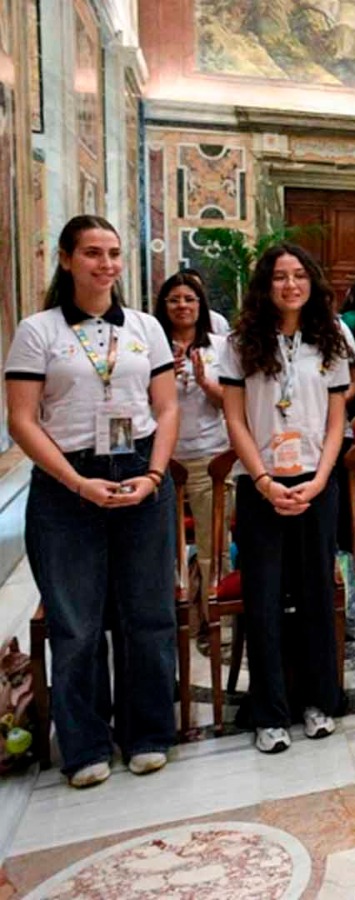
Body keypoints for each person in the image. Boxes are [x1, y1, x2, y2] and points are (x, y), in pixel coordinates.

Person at [5, 215, 179, 788]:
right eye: (91, 254)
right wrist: (76, 483)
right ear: (66, 259)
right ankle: (84, 744)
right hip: (67, 484)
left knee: (147, 611)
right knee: (76, 622)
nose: (105, 265)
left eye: (113, 254)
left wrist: (154, 475)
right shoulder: (39, 331)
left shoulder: (146, 328)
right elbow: (23, 420)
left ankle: (149, 731)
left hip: (139, 474)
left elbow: (167, 407)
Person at [216, 244, 353, 754]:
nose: (290, 285)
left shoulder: (332, 336)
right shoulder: (240, 341)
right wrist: (261, 479)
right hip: (263, 484)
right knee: (265, 599)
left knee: (317, 593)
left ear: (312, 282)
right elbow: (235, 417)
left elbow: (337, 418)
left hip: (317, 481)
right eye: (279, 277)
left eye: (299, 275)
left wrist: (320, 478)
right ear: (265, 285)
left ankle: (320, 701)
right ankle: (269, 713)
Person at [154, 272, 232, 597]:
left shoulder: (220, 345)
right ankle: (173, 618)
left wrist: (204, 382)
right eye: (174, 300)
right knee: (157, 546)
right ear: (163, 306)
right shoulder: (149, 344)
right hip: (159, 458)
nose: (182, 306)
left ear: (201, 305)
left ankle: (213, 621)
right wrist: (161, 378)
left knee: (214, 545)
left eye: (189, 299)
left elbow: (229, 403)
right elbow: (135, 401)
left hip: (208, 454)